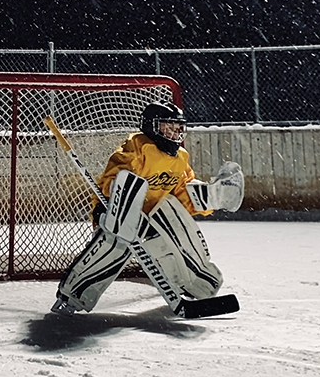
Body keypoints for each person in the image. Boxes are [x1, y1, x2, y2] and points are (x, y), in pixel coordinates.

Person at [51, 101, 242, 316]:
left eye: (178, 127)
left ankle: (196, 284)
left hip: (154, 218)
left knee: (181, 230)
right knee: (115, 243)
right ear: (152, 126)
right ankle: (73, 295)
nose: (175, 132)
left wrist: (209, 197)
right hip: (117, 212)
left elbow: (180, 195)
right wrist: (119, 193)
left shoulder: (180, 158)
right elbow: (116, 175)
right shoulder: (136, 147)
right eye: (168, 126)